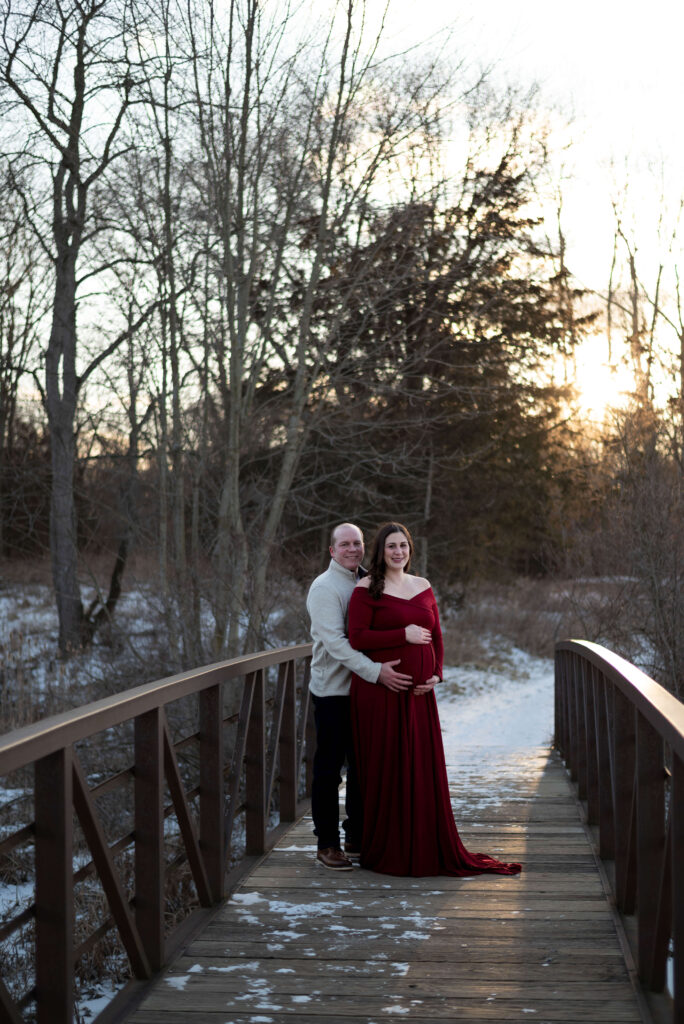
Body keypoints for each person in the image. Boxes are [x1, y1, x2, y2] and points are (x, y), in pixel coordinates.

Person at [348, 521, 521, 877]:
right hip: (382, 695)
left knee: (421, 771)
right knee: (390, 768)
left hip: (420, 697)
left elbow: (437, 638)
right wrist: (403, 634)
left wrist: (437, 673)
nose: (398, 552)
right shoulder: (366, 590)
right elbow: (357, 638)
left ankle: (425, 842)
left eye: (403, 546)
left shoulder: (423, 586)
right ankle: (391, 849)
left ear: (410, 550)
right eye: (391, 546)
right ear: (380, 552)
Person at [306, 522, 413, 871]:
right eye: (345, 544)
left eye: (357, 543)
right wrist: (376, 671)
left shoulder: (369, 580)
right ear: (332, 551)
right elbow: (337, 644)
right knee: (329, 770)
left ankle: (357, 834)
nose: (352, 549)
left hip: (367, 693)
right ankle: (327, 844)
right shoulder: (324, 588)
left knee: (364, 767)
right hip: (335, 692)